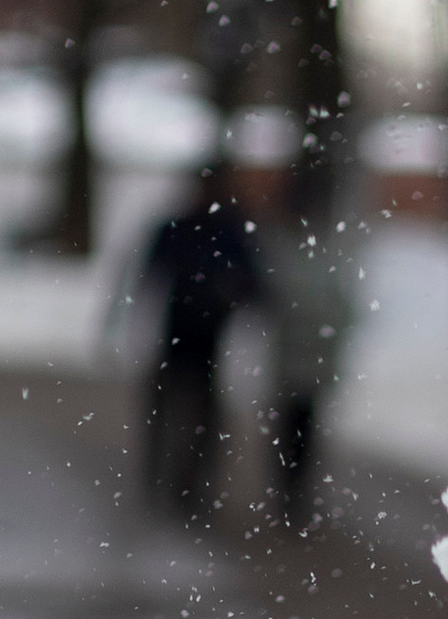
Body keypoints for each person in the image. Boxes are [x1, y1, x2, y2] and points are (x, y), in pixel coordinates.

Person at [132, 158, 263, 526]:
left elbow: (254, 285)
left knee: (195, 413)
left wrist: (230, 291)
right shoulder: (189, 227)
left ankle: (186, 483)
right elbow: (149, 275)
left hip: (207, 339)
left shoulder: (227, 230)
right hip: (179, 335)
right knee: (168, 409)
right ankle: (165, 478)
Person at [251, 151, 357, 536]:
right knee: (294, 426)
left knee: (302, 427)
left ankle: (294, 492)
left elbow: (340, 306)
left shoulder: (310, 251)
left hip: (310, 355)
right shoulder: (292, 250)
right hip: (298, 354)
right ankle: (289, 492)